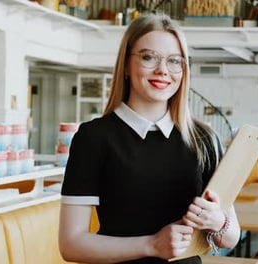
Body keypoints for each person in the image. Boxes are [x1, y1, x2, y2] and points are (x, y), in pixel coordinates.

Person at [58, 13, 240, 264]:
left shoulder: (204, 139)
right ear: (125, 65)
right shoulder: (94, 137)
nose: (162, 70)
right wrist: (152, 245)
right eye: (148, 57)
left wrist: (218, 221)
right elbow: (71, 244)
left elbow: (231, 237)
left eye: (174, 61)